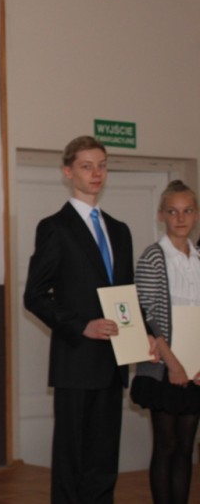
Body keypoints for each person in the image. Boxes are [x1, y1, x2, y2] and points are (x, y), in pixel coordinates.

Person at [23, 135, 143, 503]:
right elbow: (34, 295)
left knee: (104, 460)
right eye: (87, 166)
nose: (96, 173)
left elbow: (127, 296)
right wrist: (81, 325)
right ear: (68, 171)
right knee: (72, 458)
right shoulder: (55, 227)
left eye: (102, 165)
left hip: (113, 361)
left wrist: (144, 337)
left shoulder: (120, 230)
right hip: (75, 361)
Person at [131, 180, 200, 504]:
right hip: (164, 368)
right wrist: (174, 364)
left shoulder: (198, 258)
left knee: (186, 448)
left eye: (187, 211)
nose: (181, 218)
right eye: (173, 211)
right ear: (162, 215)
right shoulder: (154, 256)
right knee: (166, 446)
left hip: (194, 369)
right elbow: (146, 313)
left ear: (196, 215)